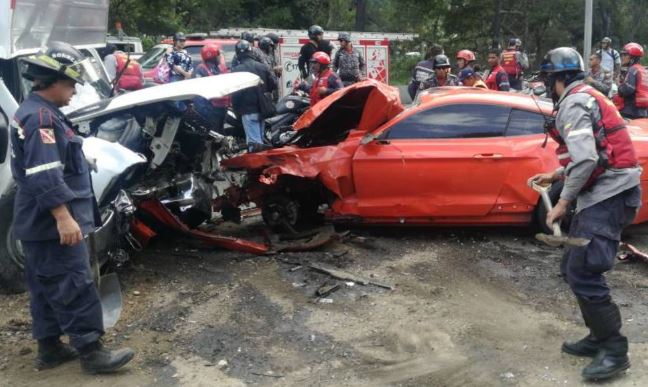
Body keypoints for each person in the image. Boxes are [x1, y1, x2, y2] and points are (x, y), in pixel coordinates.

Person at [10, 41, 134, 374]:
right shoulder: (42, 119)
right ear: (52, 81)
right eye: (71, 83)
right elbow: (43, 173)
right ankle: (92, 352)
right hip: (50, 222)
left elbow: (48, 160)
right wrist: (63, 217)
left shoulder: (38, 112)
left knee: (45, 285)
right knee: (73, 283)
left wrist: (79, 157)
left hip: (35, 222)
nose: (75, 90)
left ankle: (49, 348)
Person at [530, 47, 641, 382]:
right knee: (573, 267)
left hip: (610, 195)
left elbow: (588, 160)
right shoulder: (586, 96)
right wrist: (556, 176)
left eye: (548, 79)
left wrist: (562, 201)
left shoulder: (575, 102)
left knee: (585, 270)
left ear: (557, 78)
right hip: (606, 193)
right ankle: (597, 337)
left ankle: (614, 350)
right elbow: (595, 153)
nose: (548, 86)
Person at [231, 40, 277, 152]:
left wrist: (236, 109)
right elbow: (273, 84)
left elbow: (236, 94)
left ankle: (257, 167)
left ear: (238, 54)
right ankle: (262, 165)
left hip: (248, 111)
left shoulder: (236, 70)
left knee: (254, 143)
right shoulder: (262, 67)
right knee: (259, 139)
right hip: (262, 110)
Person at [192, 43, 229, 134]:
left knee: (221, 134)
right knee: (213, 135)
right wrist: (206, 111)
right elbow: (198, 93)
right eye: (218, 55)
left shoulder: (220, 68)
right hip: (211, 109)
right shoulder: (201, 69)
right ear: (212, 57)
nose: (220, 57)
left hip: (222, 108)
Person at [616, 42, 648, 119]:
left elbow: (628, 89)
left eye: (625, 55)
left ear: (633, 58)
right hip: (643, 111)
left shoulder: (632, 69)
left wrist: (619, 86)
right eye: (622, 55)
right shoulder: (643, 70)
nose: (622, 57)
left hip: (630, 111)